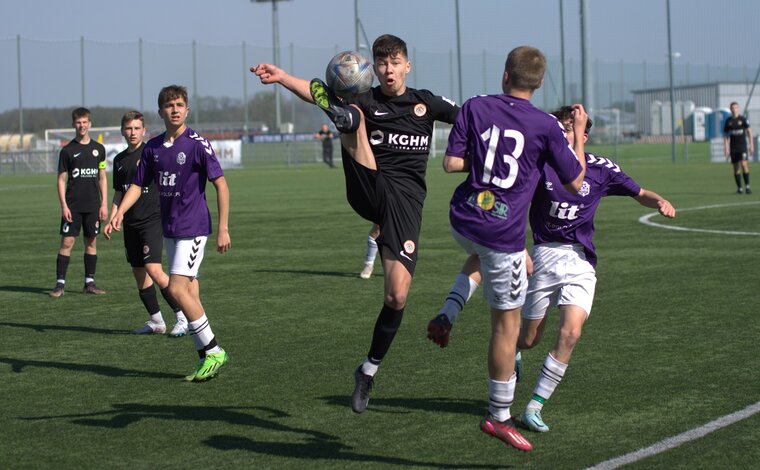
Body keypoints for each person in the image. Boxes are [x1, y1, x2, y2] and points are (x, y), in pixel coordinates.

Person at [429, 105, 676, 437]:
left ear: (585, 136)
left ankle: (534, 407)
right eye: (562, 129)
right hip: (544, 256)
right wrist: (518, 247)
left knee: (572, 332)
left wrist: (660, 201)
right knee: (529, 339)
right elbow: (508, 205)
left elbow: (640, 193)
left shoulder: (602, 170)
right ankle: (512, 351)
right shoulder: (538, 166)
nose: (564, 134)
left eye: (572, 129)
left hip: (580, 261)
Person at [252, 34, 459, 413]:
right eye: (381, 64)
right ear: (374, 69)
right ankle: (339, 112)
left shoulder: (425, 102)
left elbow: (470, 117)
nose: (388, 69)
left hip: (406, 206)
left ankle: (367, 371)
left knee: (397, 296)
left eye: (395, 62)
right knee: (352, 116)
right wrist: (283, 77)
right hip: (367, 183)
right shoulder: (367, 99)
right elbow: (307, 91)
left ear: (407, 66)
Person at [441, 46, 588, 452]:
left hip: (461, 219)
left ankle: (449, 309)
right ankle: (500, 417)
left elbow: (451, 164)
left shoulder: (474, 106)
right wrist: (576, 133)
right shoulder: (545, 125)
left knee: (479, 255)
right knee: (506, 329)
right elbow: (576, 183)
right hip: (501, 233)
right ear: (538, 84)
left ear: (505, 75)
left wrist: (486, 162)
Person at [107, 85, 231, 382]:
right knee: (189, 291)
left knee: (175, 289)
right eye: (168, 105)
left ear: (187, 110)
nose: (174, 109)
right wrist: (119, 212)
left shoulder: (198, 144)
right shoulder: (151, 148)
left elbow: (221, 185)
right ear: (160, 111)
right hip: (170, 228)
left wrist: (224, 227)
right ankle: (204, 357)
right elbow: (136, 185)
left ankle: (214, 350)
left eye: (179, 104)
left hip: (194, 227)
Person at [103, 111, 188, 337]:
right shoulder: (119, 160)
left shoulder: (152, 152)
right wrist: (113, 217)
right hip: (130, 222)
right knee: (139, 272)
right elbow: (119, 193)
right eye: (128, 128)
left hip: (152, 219)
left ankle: (182, 316)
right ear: (123, 130)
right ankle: (156, 321)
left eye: (137, 128)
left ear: (144, 130)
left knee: (154, 269)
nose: (132, 133)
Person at [49, 107, 108, 298]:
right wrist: (63, 206)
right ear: (74, 124)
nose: (82, 126)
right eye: (78, 122)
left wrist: (104, 203)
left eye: (85, 122)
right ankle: (59, 285)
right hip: (72, 207)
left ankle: (89, 283)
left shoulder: (99, 149)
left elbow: (102, 177)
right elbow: (60, 180)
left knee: (91, 242)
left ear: (90, 124)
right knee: (67, 242)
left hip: (93, 205)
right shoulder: (67, 151)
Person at [723, 101, 754, 194]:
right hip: (733, 147)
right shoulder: (728, 121)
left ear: (738, 109)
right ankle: (740, 188)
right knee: (736, 167)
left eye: (736, 107)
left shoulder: (743, 119)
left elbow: (749, 131)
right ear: (730, 109)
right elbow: (725, 135)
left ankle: (747, 186)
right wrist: (726, 147)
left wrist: (751, 144)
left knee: (744, 165)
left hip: (742, 147)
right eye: (732, 108)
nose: (734, 109)